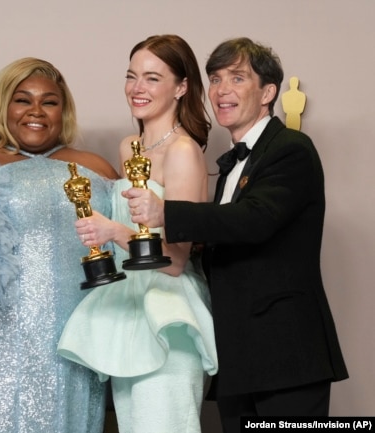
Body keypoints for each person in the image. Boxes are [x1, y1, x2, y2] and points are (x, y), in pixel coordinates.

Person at [123, 37, 348, 433]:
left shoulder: (291, 149)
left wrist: (165, 212)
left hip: (286, 357)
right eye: (215, 78)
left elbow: (254, 220)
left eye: (238, 78)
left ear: (268, 92)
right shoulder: (232, 164)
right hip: (240, 358)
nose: (222, 90)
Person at [0, 57, 118, 432]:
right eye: (22, 99)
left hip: (71, 345)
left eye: (49, 101)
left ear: (63, 111)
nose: (36, 111)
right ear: (2, 105)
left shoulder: (95, 167)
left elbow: (131, 242)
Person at [58, 34, 218, 433]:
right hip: (126, 308)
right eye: (132, 77)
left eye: (152, 78)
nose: (137, 89)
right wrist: (100, 226)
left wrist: (113, 231)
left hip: (168, 312)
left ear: (181, 87)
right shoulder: (129, 147)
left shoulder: (183, 151)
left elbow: (177, 260)